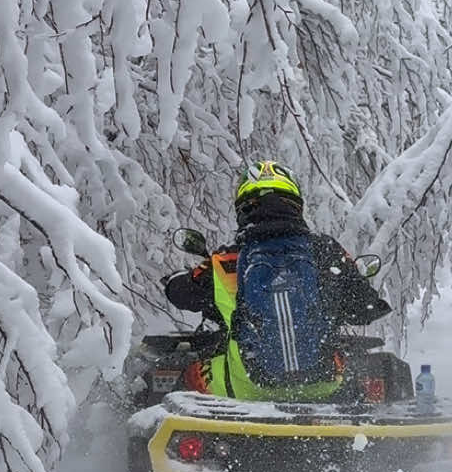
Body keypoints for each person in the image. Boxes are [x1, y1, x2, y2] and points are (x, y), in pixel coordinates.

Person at [164, 161, 389, 400]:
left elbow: (181, 293)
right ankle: (358, 434)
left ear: (243, 207)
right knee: (365, 382)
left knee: (182, 378)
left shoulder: (225, 260)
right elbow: (366, 309)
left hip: (246, 391)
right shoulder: (327, 252)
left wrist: (174, 280)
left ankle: (178, 434)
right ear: (295, 203)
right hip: (321, 388)